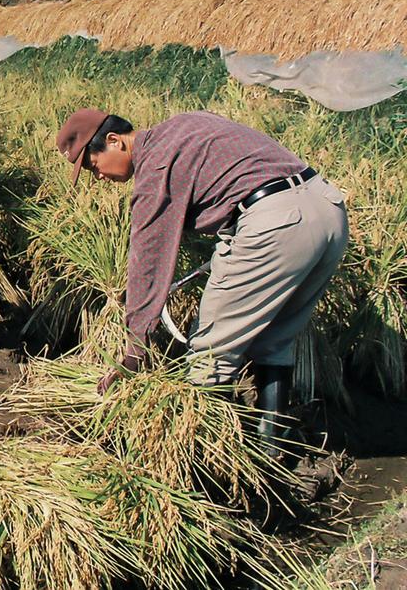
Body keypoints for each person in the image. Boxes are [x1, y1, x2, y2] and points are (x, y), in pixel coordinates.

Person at [56, 109, 348, 448]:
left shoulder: (154, 171)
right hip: (328, 209)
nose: (98, 178)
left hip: (274, 222)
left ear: (114, 141)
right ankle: (272, 448)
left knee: (210, 352)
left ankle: (205, 459)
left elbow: (147, 262)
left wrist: (134, 353)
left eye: (93, 166)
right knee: (275, 340)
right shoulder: (183, 125)